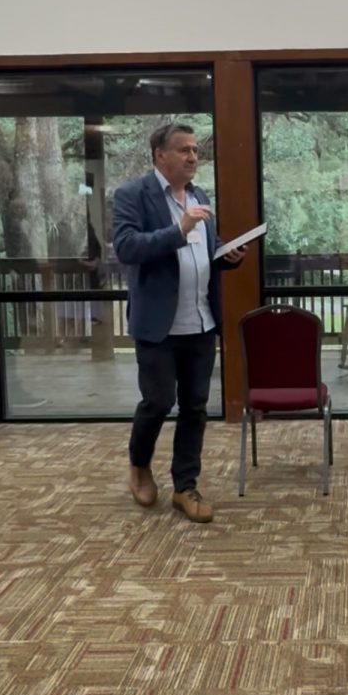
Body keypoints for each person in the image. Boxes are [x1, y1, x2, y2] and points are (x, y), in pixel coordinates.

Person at [112, 123, 246, 523]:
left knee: (195, 407)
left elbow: (204, 248)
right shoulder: (132, 195)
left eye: (195, 151)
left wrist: (225, 254)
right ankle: (139, 464)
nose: (192, 157)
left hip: (200, 322)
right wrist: (179, 229)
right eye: (184, 150)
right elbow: (126, 248)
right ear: (160, 155)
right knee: (157, 402)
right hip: (158, 326)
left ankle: (185, 486)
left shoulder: (199, 195)